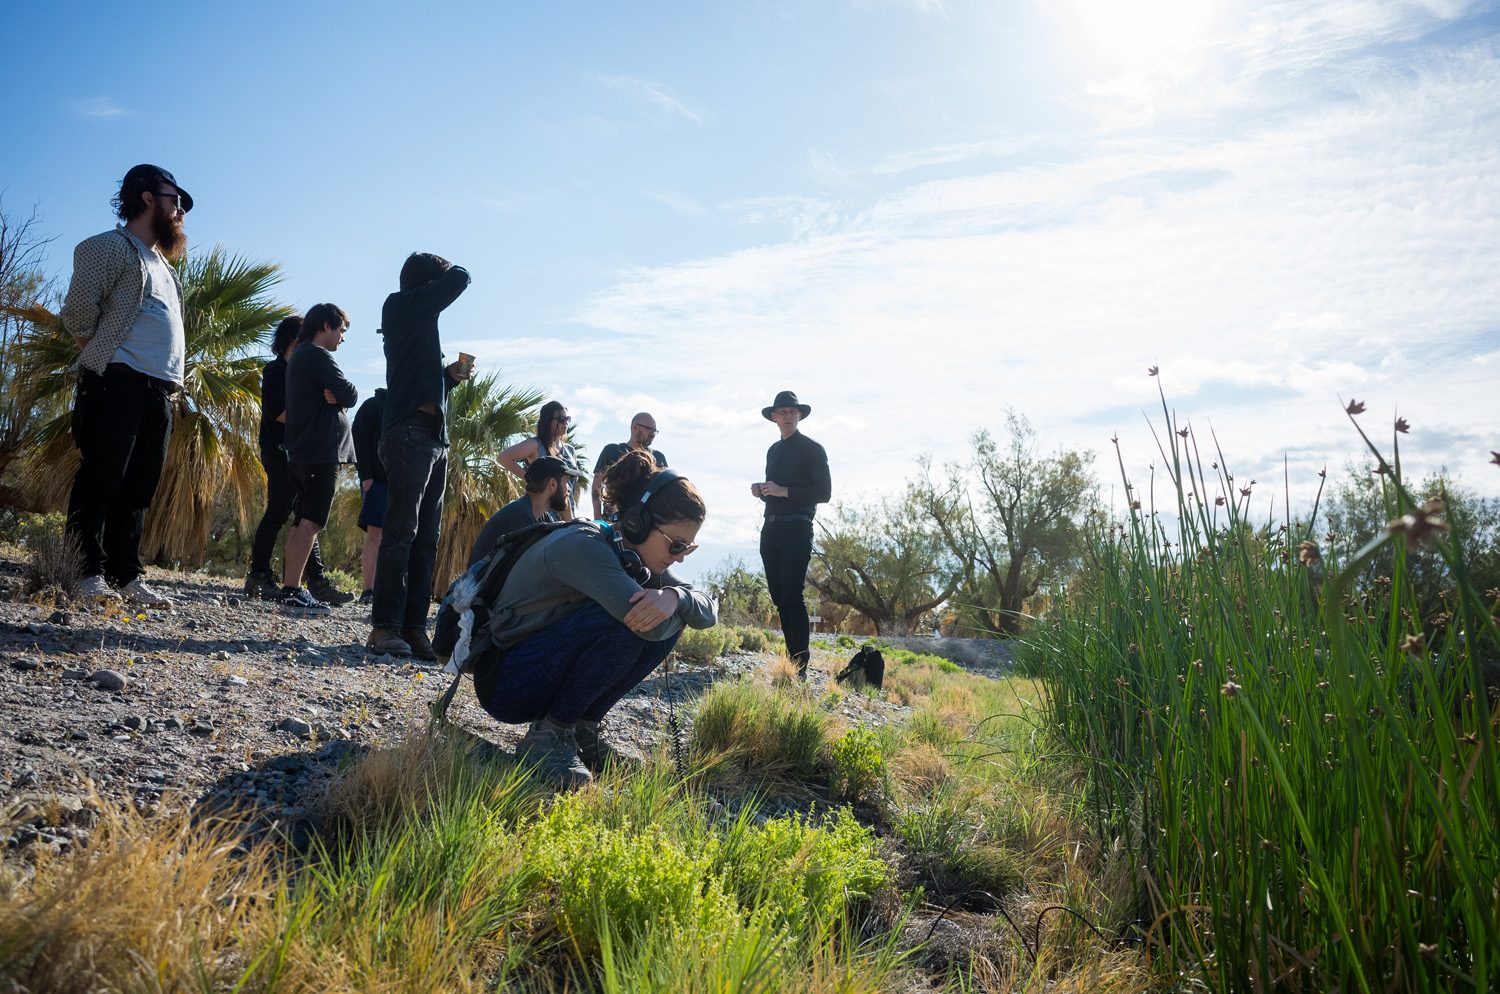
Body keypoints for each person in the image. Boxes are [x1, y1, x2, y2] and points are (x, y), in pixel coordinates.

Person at [472, 450, 715, 786]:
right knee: (634, 618)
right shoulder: (585, 546)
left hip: (532, 667)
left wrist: (676, 596)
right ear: (637, 522)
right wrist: (667, 606)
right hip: (506, 681)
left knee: (659, 609)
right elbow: (652, 624)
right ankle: (549, 737)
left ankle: (581, 730)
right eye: (676, 545)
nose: (680, 558)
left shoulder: (630, 550)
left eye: (687, 548)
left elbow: (706, 611)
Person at [58, 164, 194, 609]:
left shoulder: (165, 266)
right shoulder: (107, 248)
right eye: (177, 200)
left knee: (139, 486)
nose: (181, 212)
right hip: (117, 384)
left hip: (159, 392)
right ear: (148, 198)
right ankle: (83, 572)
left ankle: (125, 576)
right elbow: (78, 314)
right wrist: (107, 360)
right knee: (103, 477)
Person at [369, 252, 473, 659]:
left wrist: (448, 378)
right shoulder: (399, 306)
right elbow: (459, 280)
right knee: (401, 531)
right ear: (427, 283)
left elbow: (421, 382)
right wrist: (454, 272)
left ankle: (413, 628)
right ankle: (384, 627)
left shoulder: (418, 322)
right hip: (408, 432)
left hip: (432, 436)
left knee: (425, 538)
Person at [244, 316, 348, 606]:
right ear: (294, 338)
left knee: (306, 516)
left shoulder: (303, 371)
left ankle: (315, 581)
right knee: (280, 509)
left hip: (301, 450)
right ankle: (259, 573)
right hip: (278, 449)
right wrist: (313, 413)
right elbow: (276, 412)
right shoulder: (277, 370)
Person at [280, 303, 358, 614]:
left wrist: (337, 395)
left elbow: (341, 394)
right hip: (318, 453)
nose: (342, 337)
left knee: (303, 522)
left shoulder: (302, 355)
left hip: (308, 452)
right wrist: (341, 396)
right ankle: (292, 590)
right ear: (325, 325)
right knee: (310, 522)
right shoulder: (315, 354)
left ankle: (291, 586)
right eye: (340, 330)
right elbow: (350, 393)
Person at [751, 390, 831, 679]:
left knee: (792, 596)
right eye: (782, 411)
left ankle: (799, 666)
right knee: (778, 596)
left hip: (798, 528)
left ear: (799, 415)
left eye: (791, 411)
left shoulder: (813, 449)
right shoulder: (773, 450)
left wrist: (784, 491)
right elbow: (774, 493)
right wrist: (761, 491)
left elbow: (824, 493)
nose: (787, 415)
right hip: (770, 527)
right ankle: (791, 657)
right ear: (774, 417)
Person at [467, 455, 570, 567]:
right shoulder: (521, 517)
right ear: (552, 484)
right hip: (481, 584)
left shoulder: (542, 517)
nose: (568, 490)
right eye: (565, 482)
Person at [498, 400, 583, 518]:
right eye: (561, 419)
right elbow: (503, 458)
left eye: (567, 419)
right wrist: (532, 480)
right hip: (543, 516)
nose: (565, 423)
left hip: (568, 513)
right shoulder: (536, 444)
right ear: (548, 421)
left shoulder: (570, 450)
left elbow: (570, 486)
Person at [590, 412, 666, 519]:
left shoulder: (659, 458)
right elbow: (597, 485)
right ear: (635, 427)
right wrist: (597, 519)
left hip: (646, 523)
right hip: (613, 521)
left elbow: (664, 492)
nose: (652, 434)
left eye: (655, 431)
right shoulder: (612, 450)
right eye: (649, 429)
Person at [351, 388, 388, 606]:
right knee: (375, 534)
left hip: (404, 484)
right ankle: (369, 590)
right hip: (377, 481)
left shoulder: (411, 409)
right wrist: (365, 476)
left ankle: (388, 591)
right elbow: (358, 439)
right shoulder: (373, 405)